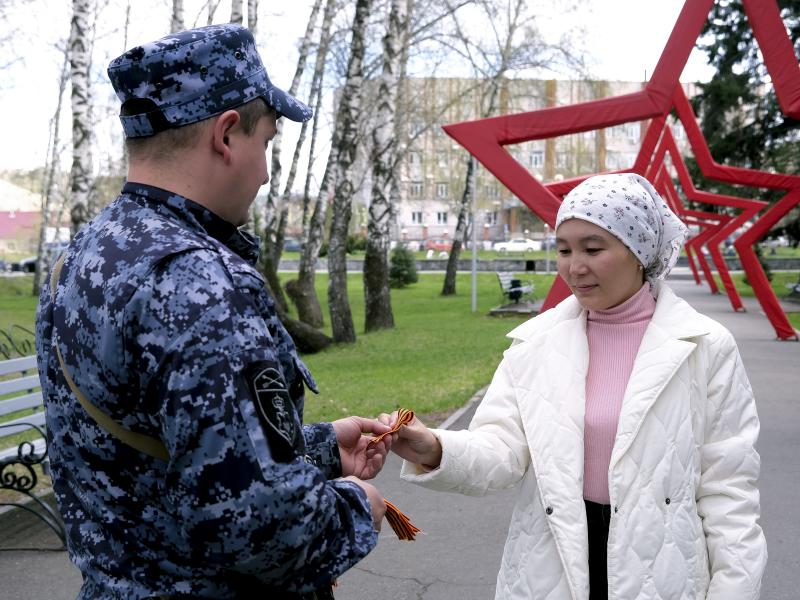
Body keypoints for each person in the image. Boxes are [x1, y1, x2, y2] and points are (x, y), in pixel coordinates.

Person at [36, 24, 393, 600]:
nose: (267, 172)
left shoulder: (85, 253)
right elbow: (264, 529)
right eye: (268, 143)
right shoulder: (202, 282)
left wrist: (320, 447)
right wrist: (359, 507)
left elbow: (159, 444)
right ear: (228, 134)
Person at [382, 172, 767, 600]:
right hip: (550, 567)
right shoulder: (535, 344)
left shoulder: (704, 347)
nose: (574, 266)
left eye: (593, 248)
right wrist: (435, 449)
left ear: (639, 251)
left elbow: (729, 492)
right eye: (564, 249)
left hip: (665, 570)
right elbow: (501, 450)